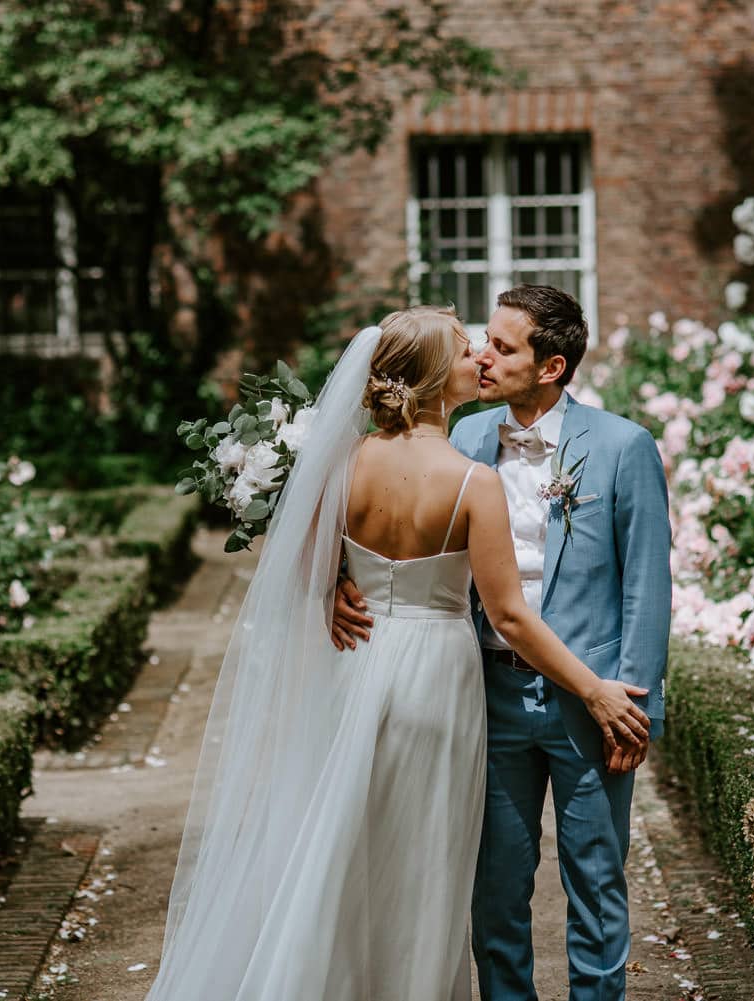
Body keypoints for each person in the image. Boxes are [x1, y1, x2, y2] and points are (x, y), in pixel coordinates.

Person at [146, 304, 650, 1001]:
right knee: (427, 863)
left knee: (345, 844)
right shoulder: (473, 477)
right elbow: (506, 613)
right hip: (441, 675)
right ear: (438, 379)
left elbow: (300, 556)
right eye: (468, 349)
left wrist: (335, 589)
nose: (481, 356)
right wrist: (595, 688)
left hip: (361, 664)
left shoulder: (345, 460)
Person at [333, 286, 672, 1001]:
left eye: (504, 346)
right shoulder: (461, 437)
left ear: (550, 366)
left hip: (596, 700)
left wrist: (635, 707)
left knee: (597, 886)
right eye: (482, 341)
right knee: (495, 891)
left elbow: (646, 587)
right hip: (486, 693)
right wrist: (340, 579)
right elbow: (386, 513)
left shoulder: (623, 446)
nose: (484, 356)